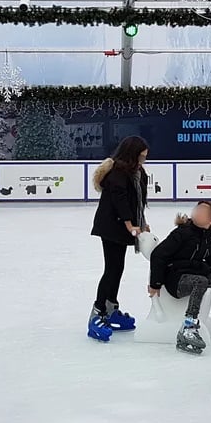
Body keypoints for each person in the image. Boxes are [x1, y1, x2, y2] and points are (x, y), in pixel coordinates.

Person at [147, 201, 211, 355]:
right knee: (201, 282)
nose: (197, 212)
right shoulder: (181, 233)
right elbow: (158, 255)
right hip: (176, 279)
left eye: (202, 211)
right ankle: (188, 327)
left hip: (199, 276)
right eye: (197, 209)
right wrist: (155, 283)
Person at [88, 135, 150, 342]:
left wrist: (142, 223)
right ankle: (98, 312)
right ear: (131, 155)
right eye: (141, 157)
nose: (143, 161)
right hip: (111, 226)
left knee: (117, 268)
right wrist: (130, 224)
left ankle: (111, 308)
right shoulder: (117, 174)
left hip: (123, 226)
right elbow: (120, 201)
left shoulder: (138, 173)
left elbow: (138, 202)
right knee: (112, 269)